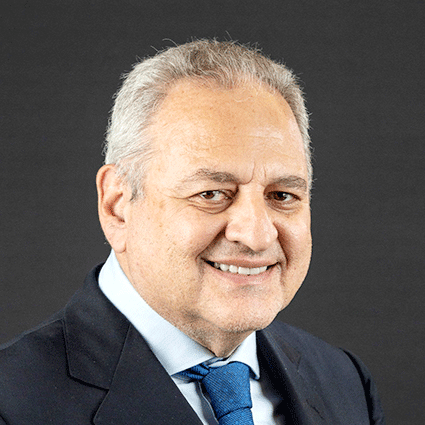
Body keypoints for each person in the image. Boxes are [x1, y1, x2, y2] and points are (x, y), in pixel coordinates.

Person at [0, 39, 385, 424]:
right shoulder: (13, 403)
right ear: (117, 205)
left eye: (282, 195)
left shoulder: (344, 382)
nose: (257, 236)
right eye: (212, 194)